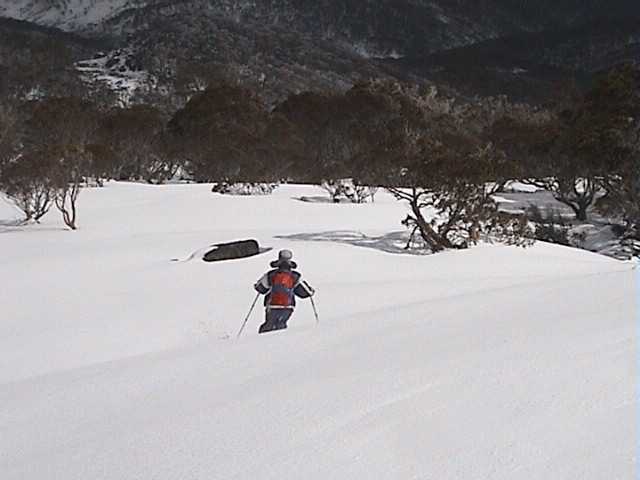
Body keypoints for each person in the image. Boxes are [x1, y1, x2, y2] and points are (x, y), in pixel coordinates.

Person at [254, 249, 315, 334]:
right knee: (281, 324)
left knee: (269, 325)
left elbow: (260, 288)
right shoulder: (295, 276)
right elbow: (305, 292)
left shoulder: (271, 274)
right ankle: (280, 342)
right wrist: (311, 292)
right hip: (288, 306)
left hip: (272, 305)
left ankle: (262, 342)